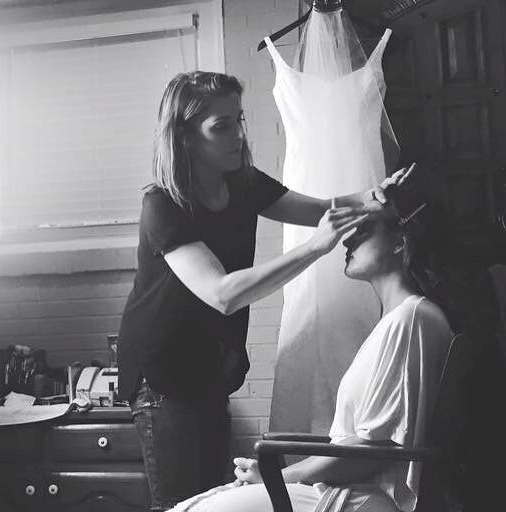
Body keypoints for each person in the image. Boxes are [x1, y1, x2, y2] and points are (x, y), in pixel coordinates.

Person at [116, 70, 411, 511]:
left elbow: (321, 209)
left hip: (209, 371)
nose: (237, 134)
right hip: (162, 375)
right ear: (185, 136)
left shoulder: (245, 183)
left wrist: (373, 196)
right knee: (180, 505)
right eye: (221, 126)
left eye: (239, 119)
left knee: (214, 497)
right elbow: (222, 293)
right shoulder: (163, 204)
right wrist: (316, 248)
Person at [170, 180, 455, 512]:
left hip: (363, 497)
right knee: (200, 503)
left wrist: (275, 476)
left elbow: (372, 455)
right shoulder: (400, 319)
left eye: (364, 229)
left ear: (399, 243)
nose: (348, 239)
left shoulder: (411, 320)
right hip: (348, 486)